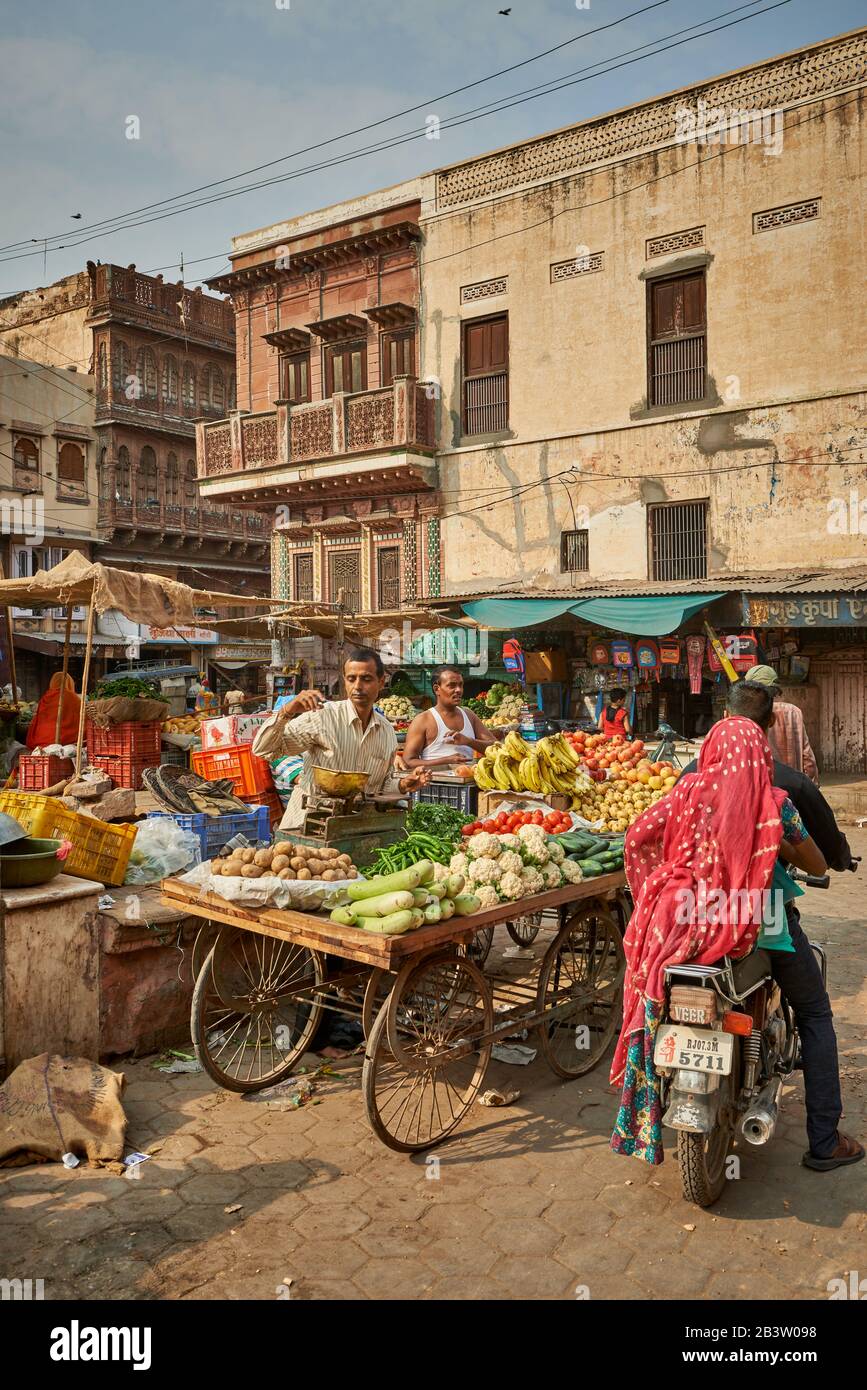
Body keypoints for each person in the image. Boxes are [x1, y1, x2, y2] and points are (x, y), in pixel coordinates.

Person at [623, 681, 862, 1172]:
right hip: (764, 928)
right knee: (815, 1016)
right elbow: (817, 864)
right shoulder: (776, 802)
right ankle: (824, 1141)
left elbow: (638, 836)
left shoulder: (686, 790)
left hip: (691, 930)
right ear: (763, 738)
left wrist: (664, 884)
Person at [251, 647, 432, 830]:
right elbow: (263, 750)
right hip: (308, 826)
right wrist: (287, 711)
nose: (358, 686)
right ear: (345, 682)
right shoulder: (322, 717)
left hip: (354, 828)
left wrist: (402, 784)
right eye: (351, 679)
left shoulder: (386, 732)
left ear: (381, 682)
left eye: (366, 679)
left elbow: (381, 786)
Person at [401, 665, 498, 770]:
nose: (458, 690)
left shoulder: (469, 715)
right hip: (434, 784)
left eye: (461, 685)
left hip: (468, 781)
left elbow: (495, 747)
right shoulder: (423, 720)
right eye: (452, 686)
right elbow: (408, 761)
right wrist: (446, 761)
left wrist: (469, 741)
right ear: (437, 689)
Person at [745, 663, 820, 784]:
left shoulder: (747, 714)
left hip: (763, 786)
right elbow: (807, 757)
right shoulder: (792, 711)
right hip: (792, 785)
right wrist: (811, 786)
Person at [25, 672, 81, 748]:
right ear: (69, 683)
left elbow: (37, 720)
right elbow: (82, 721)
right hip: (66, 741)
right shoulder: (74, 698)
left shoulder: (46, 697)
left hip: (41, 740)